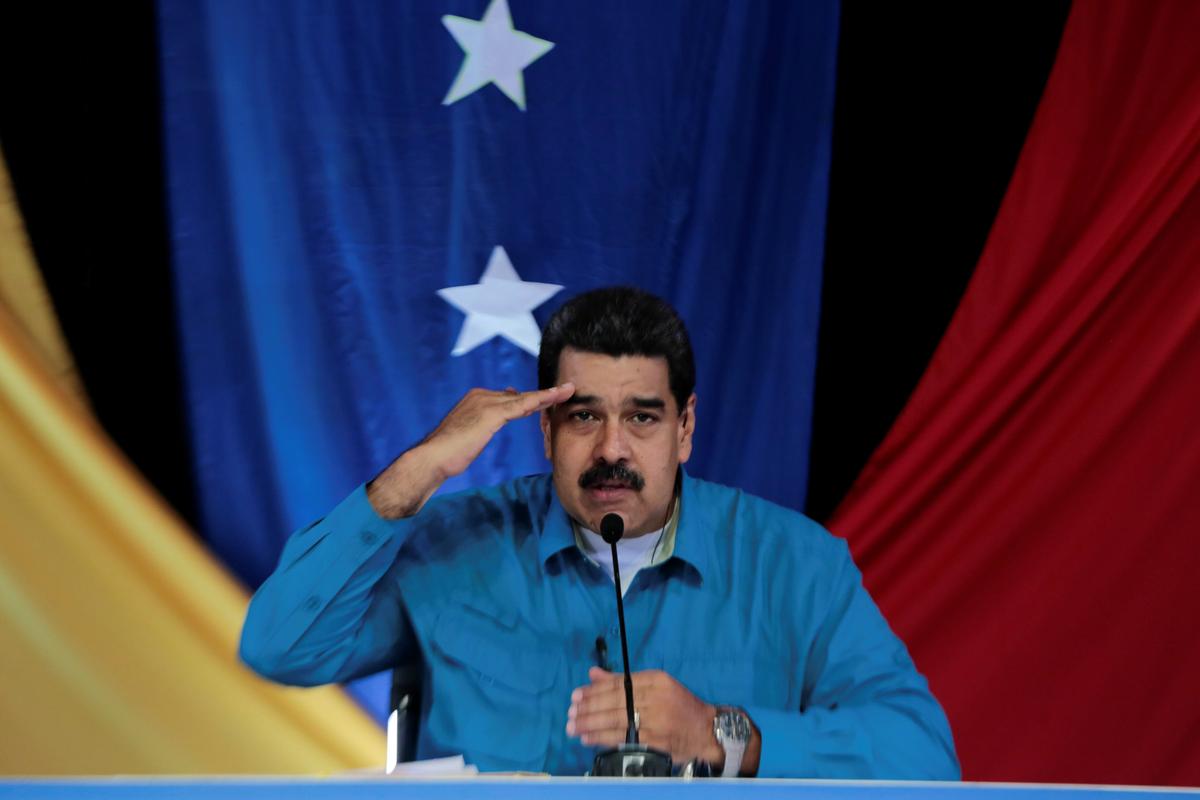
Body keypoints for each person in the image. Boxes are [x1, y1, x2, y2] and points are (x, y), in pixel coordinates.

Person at [240, 287, 960, 778]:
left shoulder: (795, 565)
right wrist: (417, 471)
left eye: (643, 417)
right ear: (546, 429)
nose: (612, 448)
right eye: (584, 416)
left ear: (684, 429)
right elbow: (279, 646)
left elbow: (924, 754)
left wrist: (721, 733)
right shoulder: (455, 547)